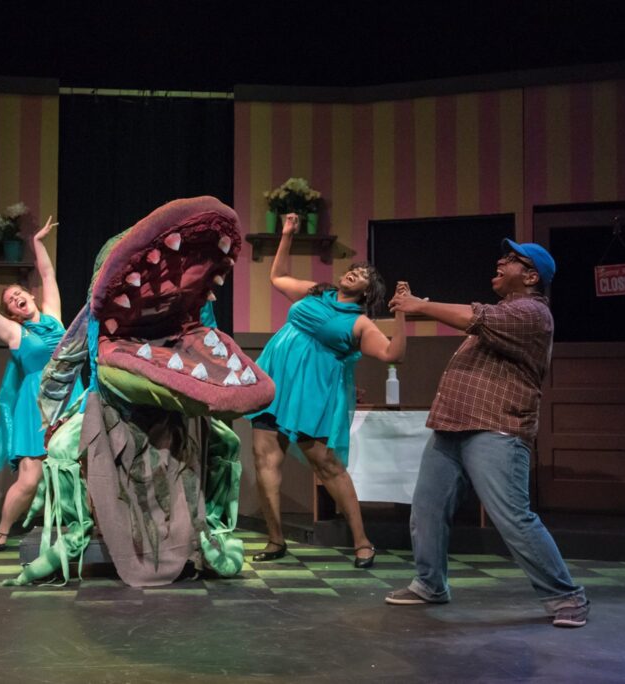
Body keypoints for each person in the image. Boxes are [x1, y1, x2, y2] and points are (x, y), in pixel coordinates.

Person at [384, 239, 590, 628]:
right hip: (453, 424)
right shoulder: (505, 312)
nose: (501, 261)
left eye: (512, 259)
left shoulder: (532, 313)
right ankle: (430, 584)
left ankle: (566, 596)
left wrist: (419, 306)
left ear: (531, 277)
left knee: (512, 516)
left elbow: (474, 317)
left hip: (496, 428)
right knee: (427, 508)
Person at [250, 213, 407, 568]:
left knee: (327, 466)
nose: (354, 273)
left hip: (312, 394)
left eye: (362, 275)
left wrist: (401, 314)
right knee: (264, 459)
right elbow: (278, 276)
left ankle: (362, 542)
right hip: (275, 381)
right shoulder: (316, 293)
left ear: (367, 292)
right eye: (354, 269)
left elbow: (392, 354)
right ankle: (275, 539)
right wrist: (287, 234)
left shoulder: (360, 323)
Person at [0, 216, 79, 553]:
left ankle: (85, 527)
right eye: (10, 300)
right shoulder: (15, 332)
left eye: (19, 293)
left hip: (71, 396)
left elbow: (48, 275)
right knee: (30, 477)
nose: (16, 298)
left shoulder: (54, 316)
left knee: (81, 467)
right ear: (11, 313)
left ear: (30, 296)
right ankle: (0, 532)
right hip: (36, 403)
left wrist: (38, 243)